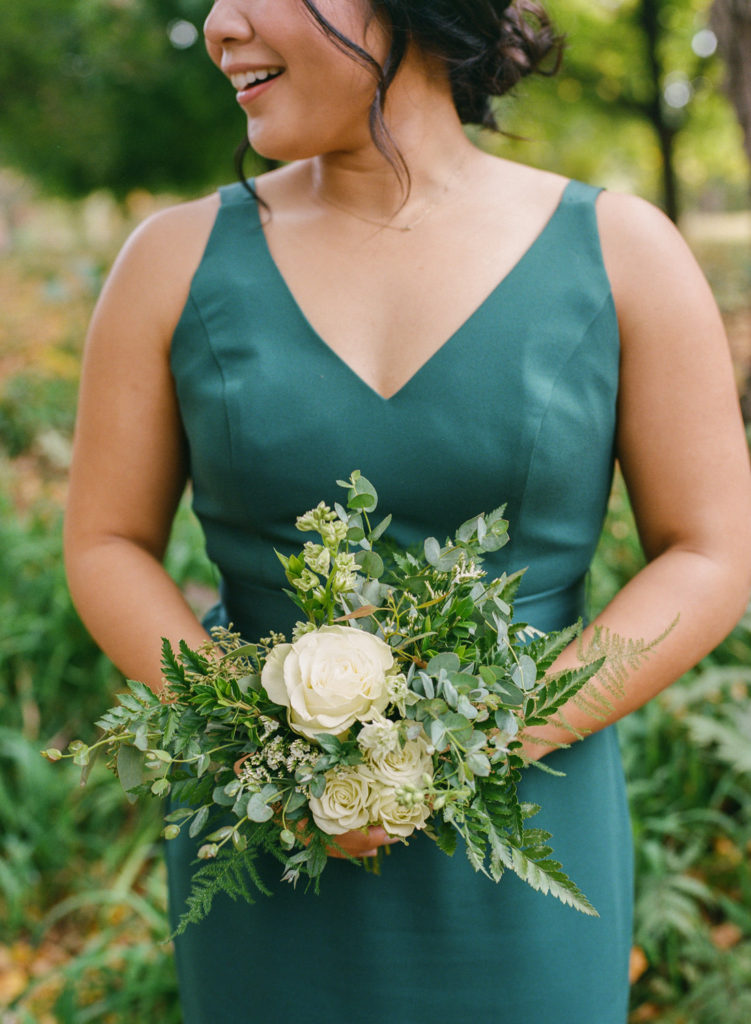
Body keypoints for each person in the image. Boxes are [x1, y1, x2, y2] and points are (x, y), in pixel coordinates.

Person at [63, 1, 751, 1021]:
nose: (217, 25)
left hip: (527, 844)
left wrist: (484, 739)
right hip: (267, 851)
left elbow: (709, 551)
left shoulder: (622, 252)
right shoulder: (171, 260)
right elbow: (106, 541)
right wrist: (261, 743)